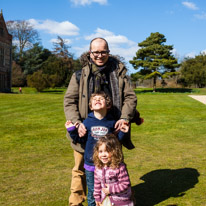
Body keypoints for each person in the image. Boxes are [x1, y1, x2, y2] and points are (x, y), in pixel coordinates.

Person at [64, 37, 140, 206]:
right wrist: (77, 123)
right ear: (90, 53)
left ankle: (119, 200)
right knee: (80, 168)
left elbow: (130, 97)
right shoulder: (79, 75)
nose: (99, 55)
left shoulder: (119, 73)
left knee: (114, 167)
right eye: (96, 52)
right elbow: (69, 101)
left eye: (103, 51)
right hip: (85, 130)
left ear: (108, 52)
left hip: (111, 130)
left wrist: (124, 118)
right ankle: (76, 202)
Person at [65, 92, 130, 206]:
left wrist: (124, 132)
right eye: (94, 99)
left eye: (101, 98)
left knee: (107, 191)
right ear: (91, 106)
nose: (97, 100)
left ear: (108, 105)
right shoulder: (87, 122)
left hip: (108, 165)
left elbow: (116, 141)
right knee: (93, 193)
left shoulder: (112, 122)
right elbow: (81, 140)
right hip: (91, 165)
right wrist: (71, 130)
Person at [93, 134, 134, 206]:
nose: (103, 155)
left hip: (121, 200)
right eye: (100, 151)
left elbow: (125, 184)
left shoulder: (119, 167)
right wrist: (97, 198)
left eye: (107, 151)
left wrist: (110, 190)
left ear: (114, 152)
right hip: (105, 200)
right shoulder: (98, 168)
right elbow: (97, 184)